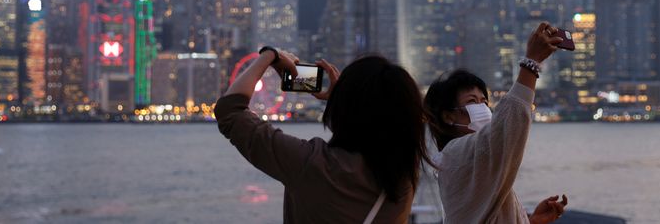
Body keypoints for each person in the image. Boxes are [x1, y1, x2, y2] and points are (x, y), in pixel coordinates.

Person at [215, 48, 429, 223]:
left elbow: (229, 111)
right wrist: (341, 101)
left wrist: (269, 55)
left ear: (344, 107)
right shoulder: (406, 170)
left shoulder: (311, 164)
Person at [424, 22, 569, 224]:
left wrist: (532, 221)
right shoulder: (456, 156)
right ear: (448, 116)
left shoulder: (479, 161)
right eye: (472, 102)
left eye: (484, 101)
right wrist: (531, 63)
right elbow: (507, 127)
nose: (482, 107)